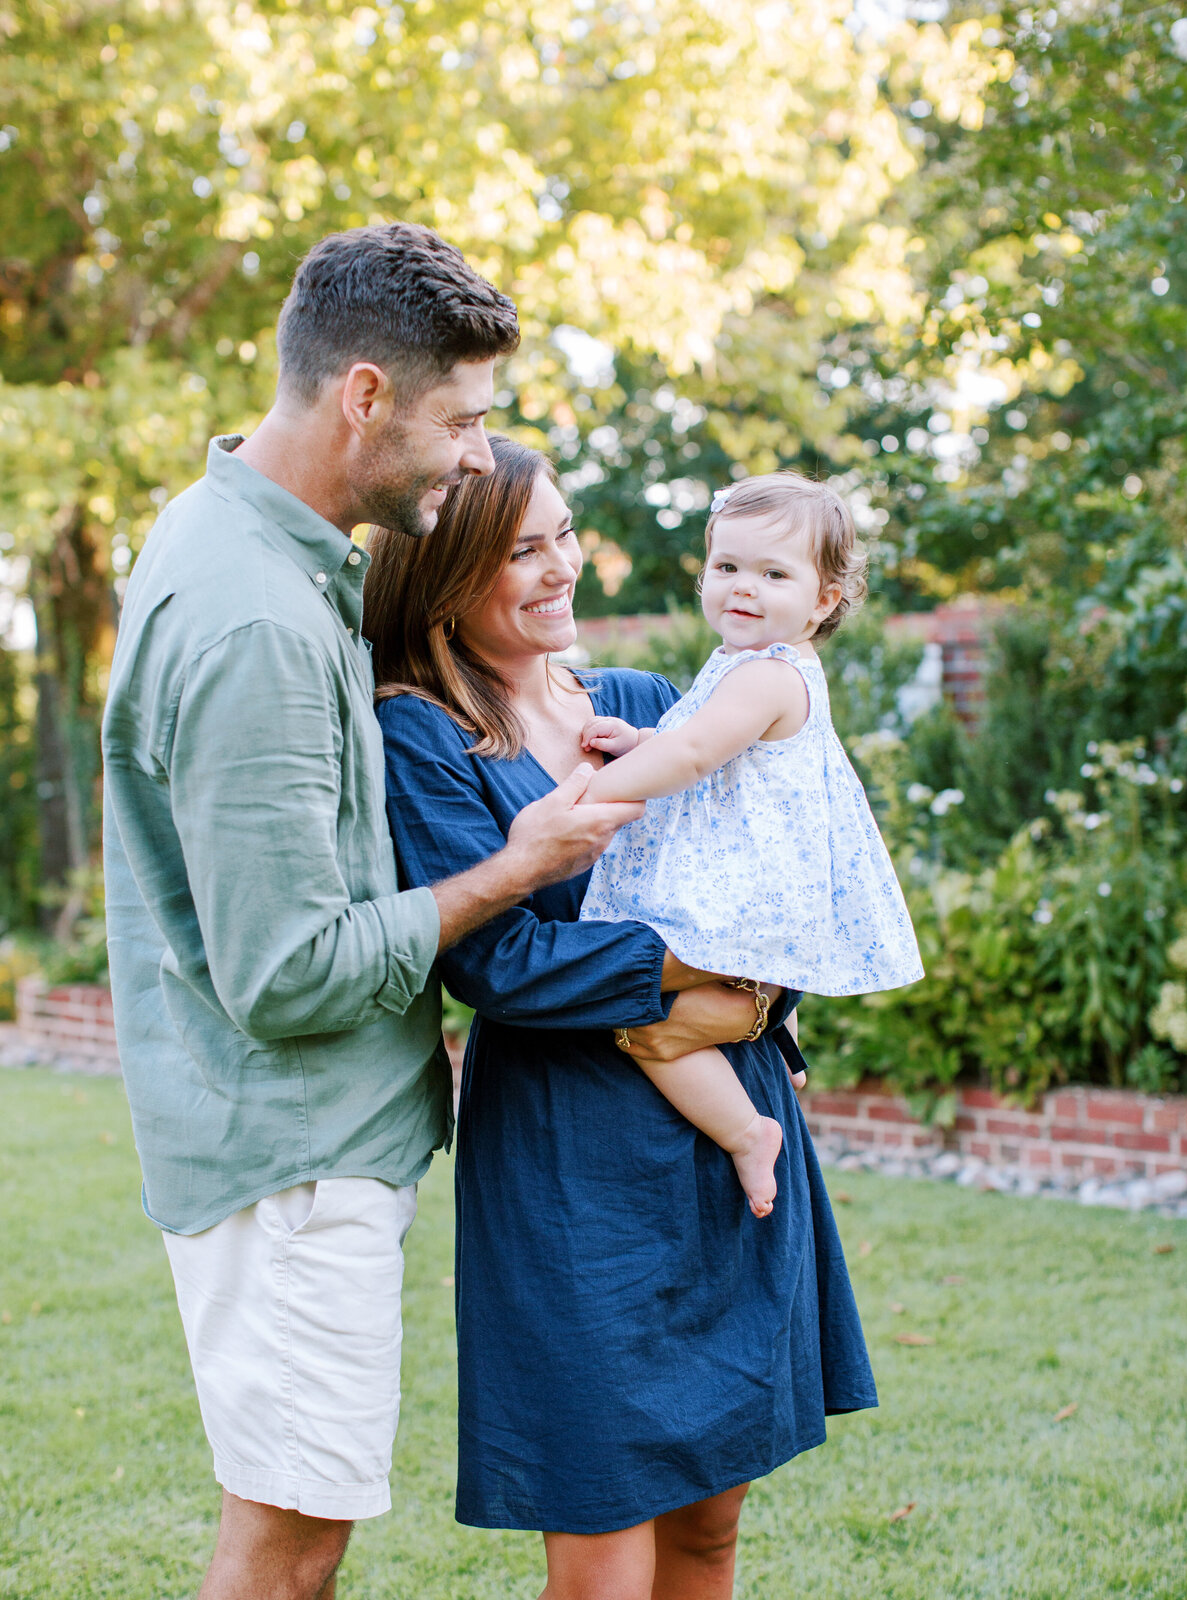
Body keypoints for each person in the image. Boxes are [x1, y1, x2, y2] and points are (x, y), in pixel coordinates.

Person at [102, 226, 646, 1600]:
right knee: (287, 1547)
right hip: (288, 1157)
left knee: (296, 1528)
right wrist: (512, 868)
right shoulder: (261, 628)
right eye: (461, 421)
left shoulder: (251, 547)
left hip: (295, 1145)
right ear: (363, 395)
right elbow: (285, 973)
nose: (477, 457)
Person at [365, 435, 878, 1600]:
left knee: (710, 1527)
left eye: (563, 535)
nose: (561, 568)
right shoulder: (423, 734)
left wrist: (756, 996)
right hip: (568, 1164)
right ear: (444, 572)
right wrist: (692, 975)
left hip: (718, 1135)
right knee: (601, 1551)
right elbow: (498, 961)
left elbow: (778, 866)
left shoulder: (648, 702)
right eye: (519, 550)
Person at [578, 472, 924, 1217]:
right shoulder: (746, 666)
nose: (743, 588)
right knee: (641, 1013)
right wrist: (644, 738)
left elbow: (698, 754)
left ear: (824, 599)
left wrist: (594, 792)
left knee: (634, 1016)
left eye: (774, 573)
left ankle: (746, 1128)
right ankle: (766, 1017)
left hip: (748, 896)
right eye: (727, 567)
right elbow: (707, 745)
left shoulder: (770, 673)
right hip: (758, 891)